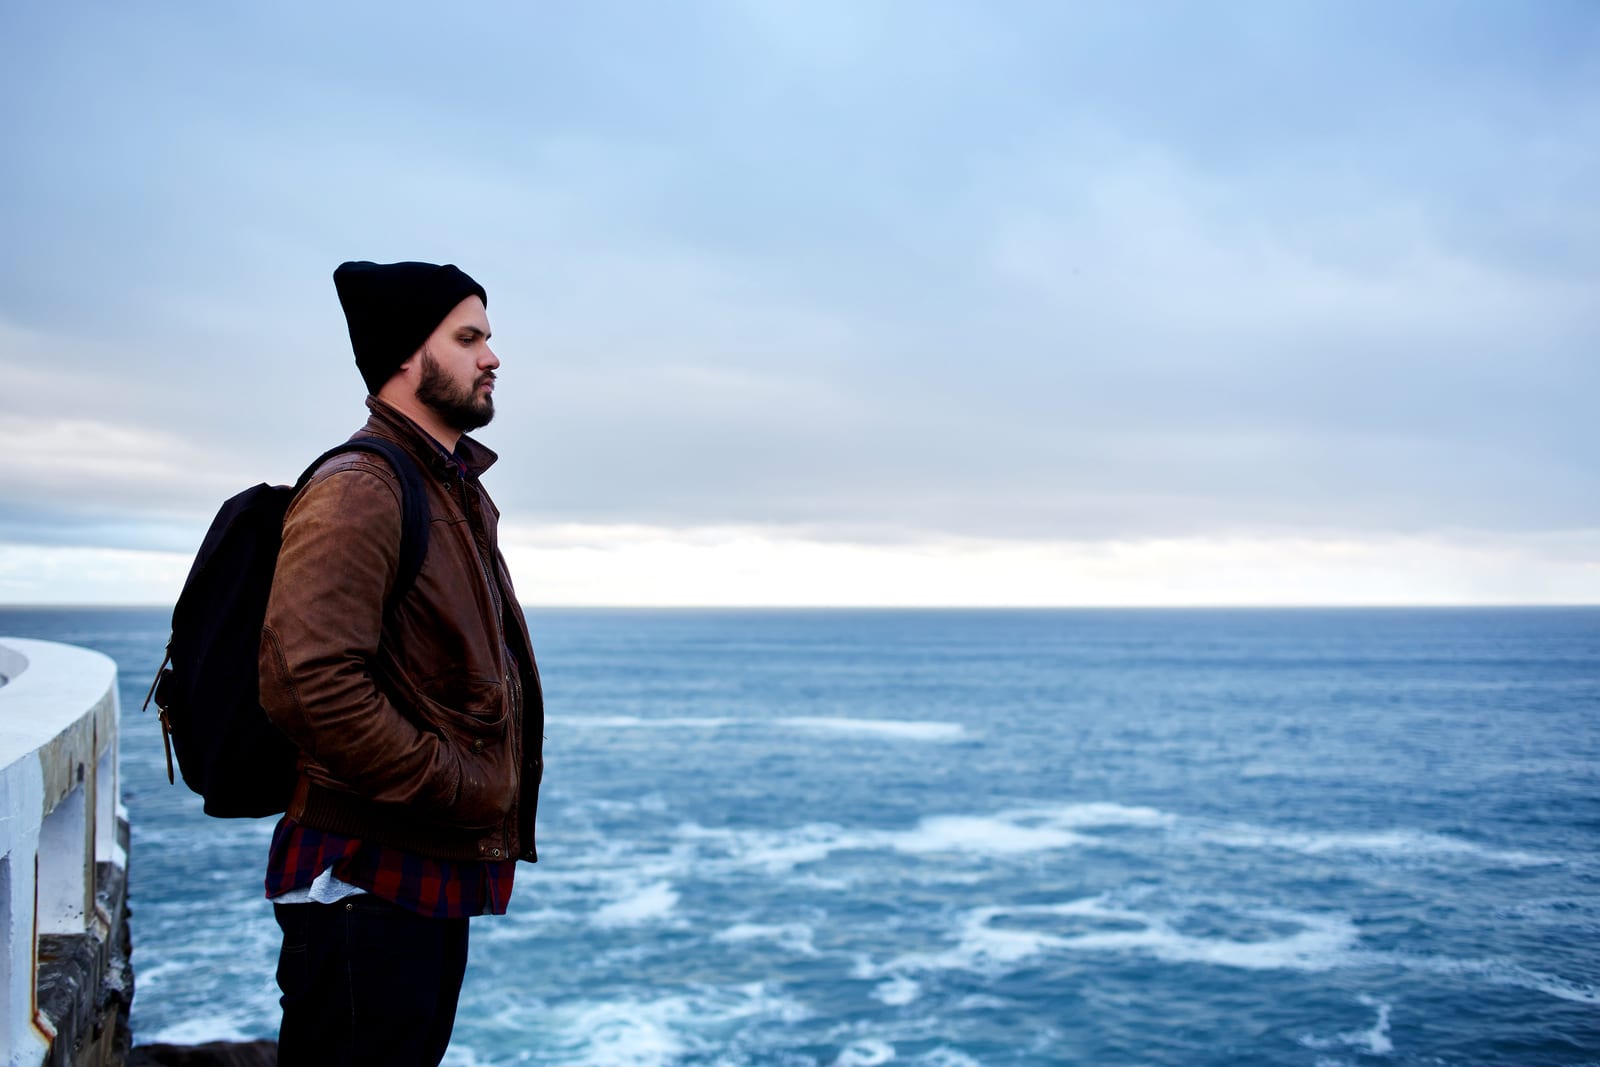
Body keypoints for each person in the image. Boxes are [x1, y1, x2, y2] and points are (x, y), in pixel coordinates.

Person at [258, 260, 544, 1067]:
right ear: (405, 357)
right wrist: (450, 783)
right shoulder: (363, 487)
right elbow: (308, 681)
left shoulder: (448, 486)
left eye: (486, 336)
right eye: (468, 338)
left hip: (416, 875)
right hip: (362, 883)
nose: (492, 357)